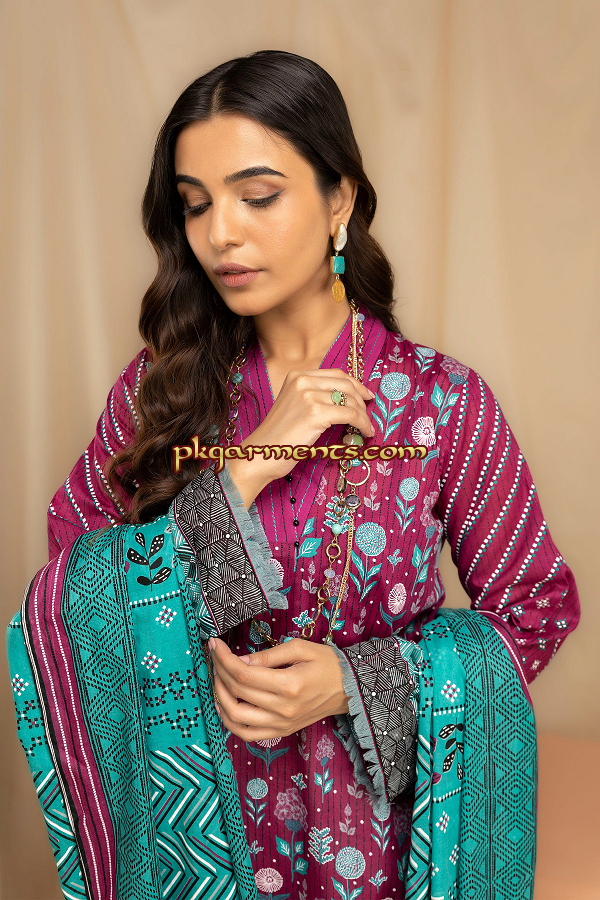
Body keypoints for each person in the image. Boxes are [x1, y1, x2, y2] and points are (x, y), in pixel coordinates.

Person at [7, 50, 579, 900]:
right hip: (197, 848)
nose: (220, 234)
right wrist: (250, 465)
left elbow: (535, 608)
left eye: (258, 195)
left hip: (378, 856)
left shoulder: (441, 403)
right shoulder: (160, 391)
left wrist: (353, 684)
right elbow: (70, 595)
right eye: (195, 204)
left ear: (338, 197)